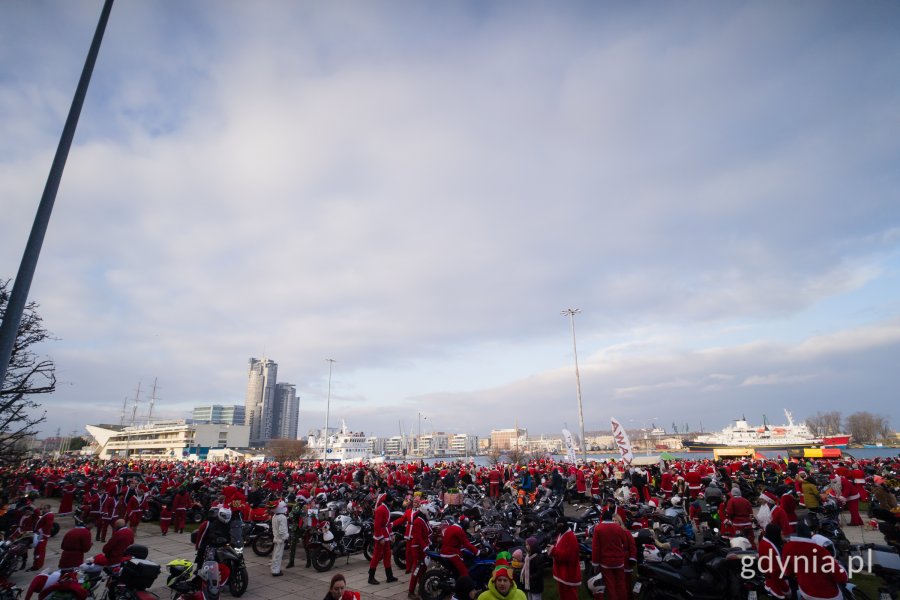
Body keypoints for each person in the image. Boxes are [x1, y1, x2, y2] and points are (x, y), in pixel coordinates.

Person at [590, 507, 637, 600]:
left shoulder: (598, 528)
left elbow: (596, 547)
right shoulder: (618, 528)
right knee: (621, 584)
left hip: (606, 563)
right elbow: (624, 541)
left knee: (610, 586)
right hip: (619, 561)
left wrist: (595, 563)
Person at [368, 492, 398, 585]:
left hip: (385, 535)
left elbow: (387, 524)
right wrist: (380, 538)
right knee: (376, 556)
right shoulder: (381, 509)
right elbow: (377, 525)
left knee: (387, 555)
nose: (393, 502)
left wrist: (391, 534)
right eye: (392, 500)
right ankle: (371, 577)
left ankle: (389, 576)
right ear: (389, 501)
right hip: (381, 536)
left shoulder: (384, 508)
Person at [548, 518, 580, 600]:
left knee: (570, 596)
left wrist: (553, 550)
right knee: (563, 596)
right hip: (562, 574)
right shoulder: (562, 534)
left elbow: (567, 556)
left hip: (568, 574)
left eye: (560, 525)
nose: (559, 527)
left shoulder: (570, 537)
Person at [757, 523, 790, 600]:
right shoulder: (771, 549)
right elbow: (776, 573)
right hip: (776, 583)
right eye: (781, 534)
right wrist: (787, 590)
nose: (782, 536)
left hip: (770, 577)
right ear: (775, 535)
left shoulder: (765, 542)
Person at [408, 503, 434, 599]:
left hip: (422, 547)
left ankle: (421, 587)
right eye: (430, 512)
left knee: (423, 569)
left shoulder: (423, 519)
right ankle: (411, 592)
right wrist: (425, 547)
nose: (430, 514)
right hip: (418, 548)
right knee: (417, 569)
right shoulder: (419, 521)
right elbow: (418, 537)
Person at [30, 504, 55, 570]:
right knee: (39, 550)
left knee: (39, 551)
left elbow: (48, 525)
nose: (44, 510)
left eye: (45, 508)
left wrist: (39, 531)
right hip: (42, 535)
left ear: (49, 509)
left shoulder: (49, 515)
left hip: (42, 536)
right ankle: (37, 564)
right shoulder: (47, 515)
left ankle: (37, 565)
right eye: (43, 508)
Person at [271, 500, 289, 577]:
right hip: (280, 539)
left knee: (275, 554)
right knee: (278, 555)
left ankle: (274, 568)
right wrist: (286, 537)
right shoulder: (282, 517)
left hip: (276, 538)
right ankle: (275, 571)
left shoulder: (274, 516)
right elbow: (282, 531)